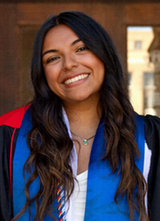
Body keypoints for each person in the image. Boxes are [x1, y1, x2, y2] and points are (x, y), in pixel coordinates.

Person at [0, 11, 160, 221]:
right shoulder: (10, 136)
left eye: (81, 48)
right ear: (43, 73)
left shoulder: (150, 139)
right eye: (53, 58)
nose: (69, 64)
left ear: (103, 55)